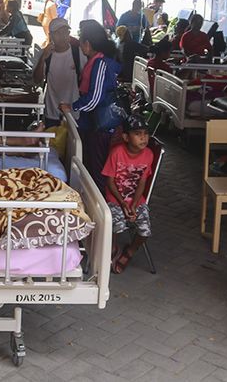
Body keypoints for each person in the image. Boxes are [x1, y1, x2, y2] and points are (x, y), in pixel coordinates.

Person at [59, 19, 121, 192]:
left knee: (96, 168)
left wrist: (72, 107)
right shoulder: (95, 60)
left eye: (81, 42)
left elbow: (95, 98)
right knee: (90, 165)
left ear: (88, 43)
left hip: (99, 125)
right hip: (90, 123)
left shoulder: (101, 63)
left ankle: (100, 210)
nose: (80, 47)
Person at [103, 114, 154, 274]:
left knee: (145, 230)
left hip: (136, 200)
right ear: (126, 137)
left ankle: (129, 251)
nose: (143, 138)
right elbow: (110, 182)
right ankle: (112, 247)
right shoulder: (116, 152)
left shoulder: (148, 155)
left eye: (145, 133)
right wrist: (123, 203)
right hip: (115, 198)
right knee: (116, 225)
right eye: (137, 134)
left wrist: (133, 205)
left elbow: (142, 183)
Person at [33, 18, 86, 128]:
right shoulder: (45, 55)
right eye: (58, 33)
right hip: (52, 112)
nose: (62, 37)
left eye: (65, 32)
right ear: (50, 35)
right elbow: (36, 80)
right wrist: (43, 58)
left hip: (74, 112)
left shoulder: (78, 53)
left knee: (74, 143)